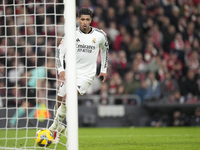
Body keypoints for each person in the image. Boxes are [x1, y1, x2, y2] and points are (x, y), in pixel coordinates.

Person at [48, 7, 109, 143]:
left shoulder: (100, 35)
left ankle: (52, 129)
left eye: (87, 19)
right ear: (78, 20)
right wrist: (61, 70)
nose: (85, 22)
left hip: (86, 75)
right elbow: (59, 51)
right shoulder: (71, 34)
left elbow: (105, 50)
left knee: (66, 98)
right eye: (82, 19)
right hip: (70, 73)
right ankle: (59, 130)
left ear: (91, 20)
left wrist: (103, 69)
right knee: (59, 101)